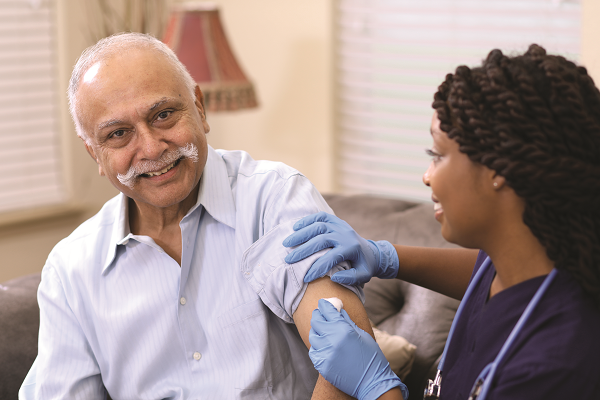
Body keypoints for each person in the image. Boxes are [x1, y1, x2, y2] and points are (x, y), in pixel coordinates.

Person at [19, 32, 407, 400]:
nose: (152, 148)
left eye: (164, 114)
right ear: (95, 155)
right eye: (119, 134)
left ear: (199, 109)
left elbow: (344, 364)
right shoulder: (71, 270)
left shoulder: (274, 198)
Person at [283, 44, 600, 399]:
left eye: (437, 155)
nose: (427, 176)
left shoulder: (551, 366)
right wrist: (386, 257)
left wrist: (377, 387)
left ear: (497, 169)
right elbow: (484, 273)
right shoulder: (523, 265)